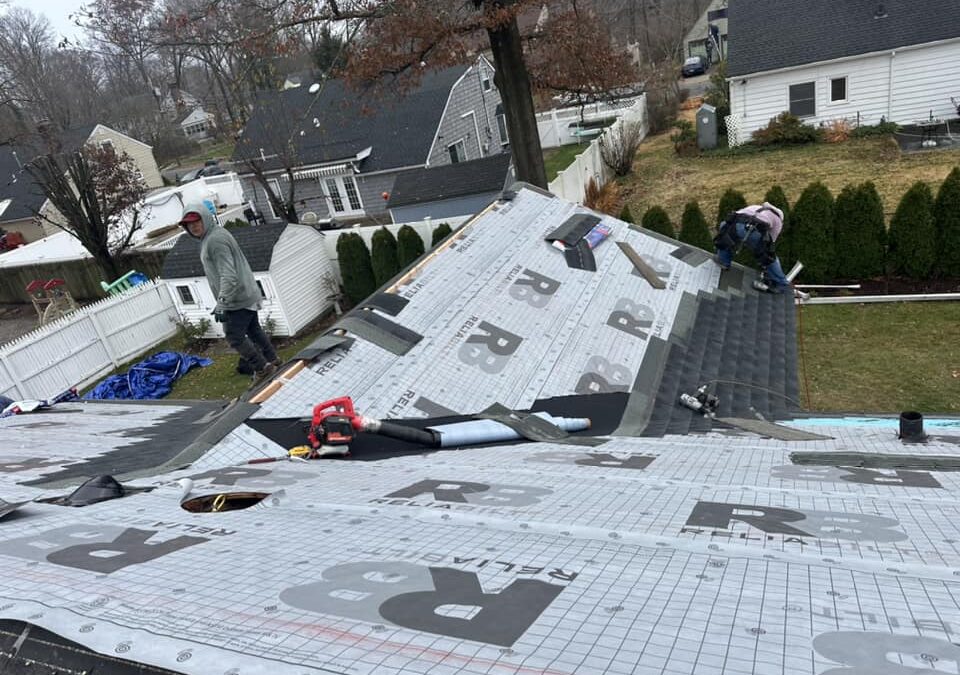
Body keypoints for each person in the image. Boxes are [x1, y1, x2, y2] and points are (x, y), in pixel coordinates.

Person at [179, 203, 279, 381]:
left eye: (197, 221)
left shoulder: (214, 240)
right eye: (189, 224)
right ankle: (273, 360)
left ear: (206, 219)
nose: (193, 226)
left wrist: (222, 303)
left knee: (234, 337)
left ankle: (262, 368)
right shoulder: (216, 234)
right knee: (253, 330)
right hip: (245, 293)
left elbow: (229, 275)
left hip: (236, 298)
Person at [713, 202, 791, 294]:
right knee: (769, 256)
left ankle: (724, 262)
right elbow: (771, 241)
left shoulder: (755, 207)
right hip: (755, 231)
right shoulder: (778, 220)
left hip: (736, 223)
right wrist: (763, 259)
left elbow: (734, 216)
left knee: (724, 236)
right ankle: (781, 283)